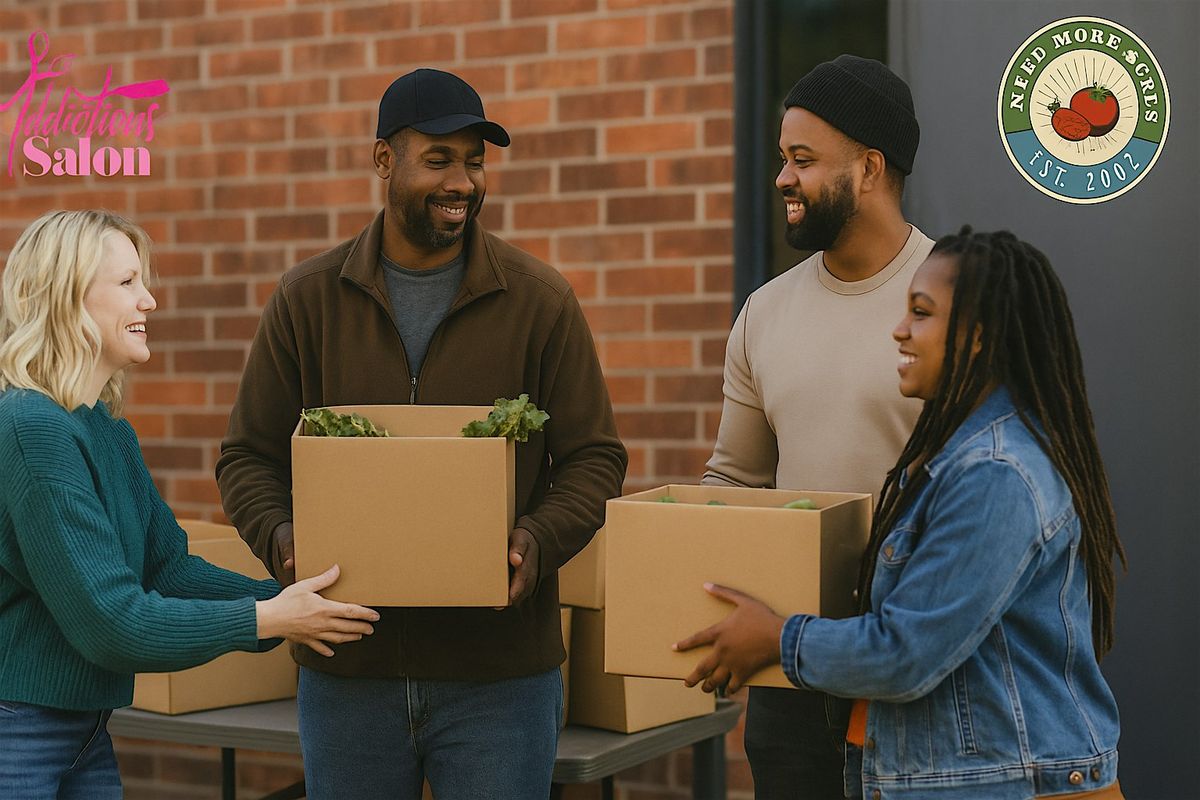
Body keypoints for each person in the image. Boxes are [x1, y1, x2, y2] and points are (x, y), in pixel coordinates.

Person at [216, 68, 627, 799]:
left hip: (499, 682)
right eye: (439, 159)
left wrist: (535, 541)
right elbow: (247, 457)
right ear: (384, 161)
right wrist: (285, 542)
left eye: (475, 161)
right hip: (350, 673)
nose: (462, 182)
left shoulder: (539, 302)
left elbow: (595, 459)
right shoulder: (308, 302)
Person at [678, 228, 1126, 800]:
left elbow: (906, 652)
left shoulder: (996, 473)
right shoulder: (963, 454)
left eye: (921, 313)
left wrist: (776, 639)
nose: (898, 329)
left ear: (978, 337)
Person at [0, 210, 380, 799]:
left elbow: (167, 569)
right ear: (66, 297)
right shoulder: (32, 427)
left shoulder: (103, 428)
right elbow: (110, 622)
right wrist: (270, 618)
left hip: (82, 731)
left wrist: (290, 601)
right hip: (18, 732)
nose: (149, 300)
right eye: (126, 283)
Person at [702, 54, 932, 798]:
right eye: (781, 159)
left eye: (802, 160)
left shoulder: (954, 299)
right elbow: (732, 481)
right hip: (791, 677)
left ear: (869, 168)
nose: (781, 180)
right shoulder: (764, 312)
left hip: (916, 668)